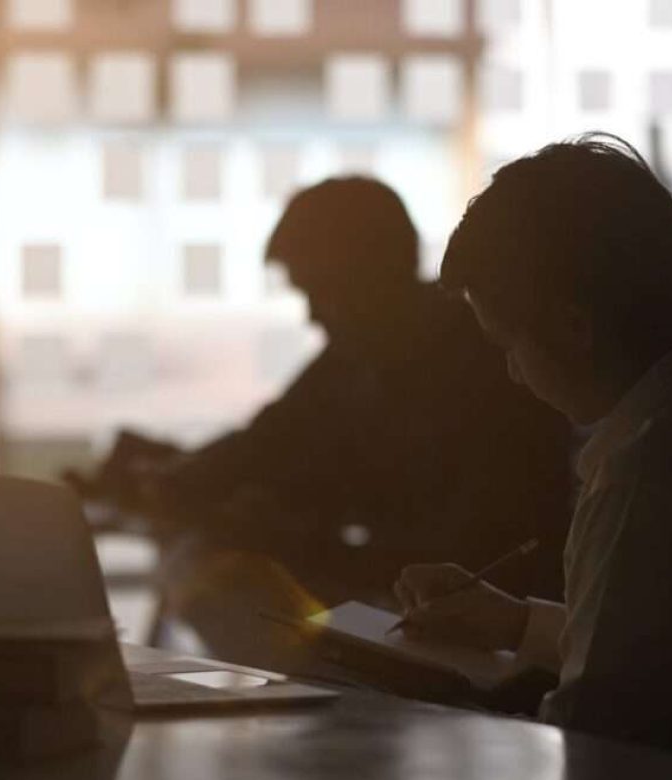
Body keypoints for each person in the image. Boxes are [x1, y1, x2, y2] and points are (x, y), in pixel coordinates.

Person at [395, 133, 672, 764]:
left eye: (508, 346)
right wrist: (514, 623)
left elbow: (599, 736)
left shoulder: (650, 469)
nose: (513, 375)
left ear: (574, 328)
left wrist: (436, 726)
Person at [74, 176, 573, 656]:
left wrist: (286, 535)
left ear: (373, 276)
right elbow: (267, 440)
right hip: (405, 600)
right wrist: (174, 475)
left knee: (210, 575)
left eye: (323, 292)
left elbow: (464, 558)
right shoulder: (357, 358)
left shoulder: (488, 373)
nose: (313, 316)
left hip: (478, 634)